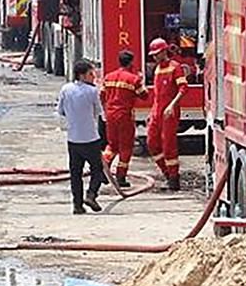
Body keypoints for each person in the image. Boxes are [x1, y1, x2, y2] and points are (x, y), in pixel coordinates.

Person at [59, 58, 108, 213]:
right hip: (90, 138)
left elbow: (61, 111)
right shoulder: (92, 91)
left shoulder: (65, 89)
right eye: (90, 73)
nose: (93, 76)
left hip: (73, 139)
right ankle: (91, 194)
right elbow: (99, 113)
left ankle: (77, 205)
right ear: (82, 75)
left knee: (75, 174)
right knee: (98, 169)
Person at [100, 49, 149, 186]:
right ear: (131, 63)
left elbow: (102, 95)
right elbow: (144, 96)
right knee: (126, 147)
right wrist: (141, 80)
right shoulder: (133, 79)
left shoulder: (108, 77)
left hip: (110, 115)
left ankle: (103, 170)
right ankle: (121, 177)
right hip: (124, 116)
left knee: (111, 145)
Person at [146, 37, 186, 190]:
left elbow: (183, 88)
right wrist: (152, 112)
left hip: (170, 112)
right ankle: (166, 172)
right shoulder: (157, 69)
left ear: (164, 51)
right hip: (157, 111)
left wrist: (171, 106)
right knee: (152, 142)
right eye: (153, 54)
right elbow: (157, 96)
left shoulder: (175, 67)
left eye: (157, 54)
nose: (155, 57)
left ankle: (174, 178)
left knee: (169, 145)